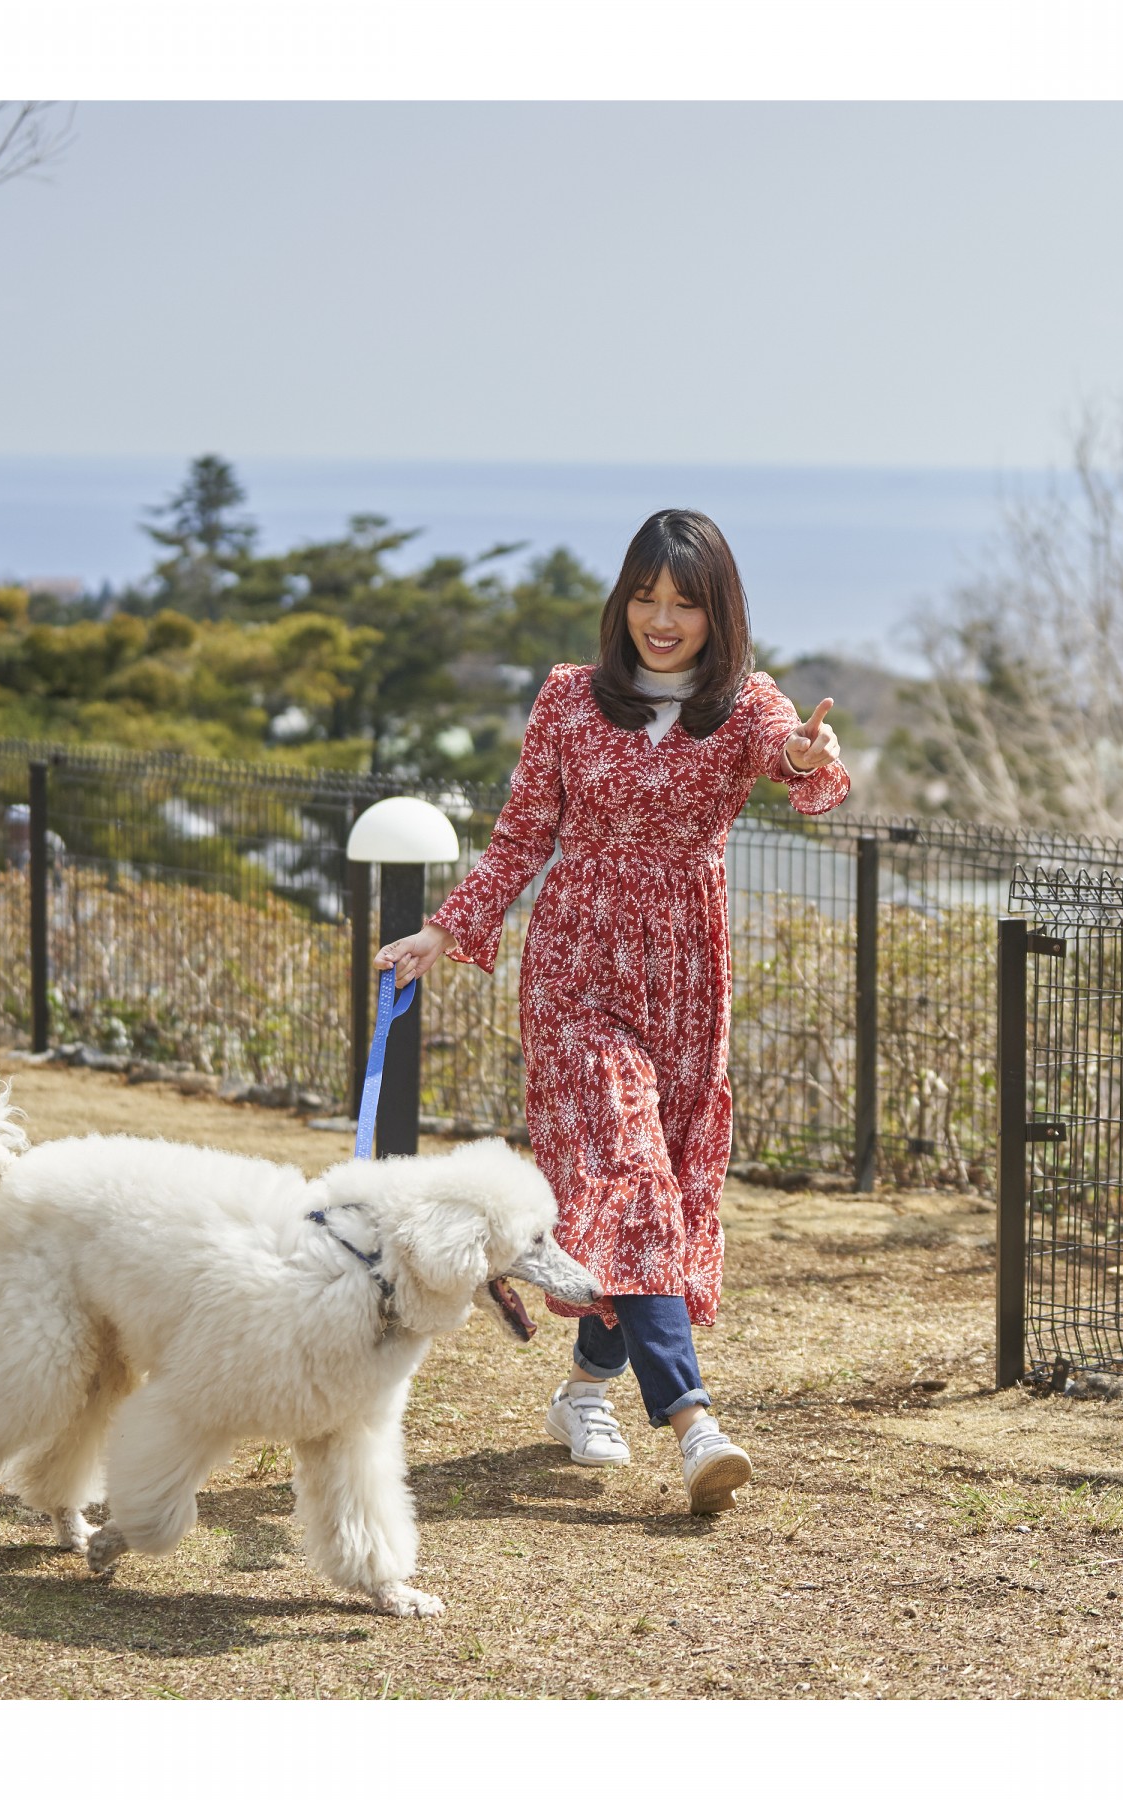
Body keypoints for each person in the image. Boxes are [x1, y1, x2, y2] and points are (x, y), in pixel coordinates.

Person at [374, 509, 846, 1514]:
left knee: (652, 1197)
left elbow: (804, 777)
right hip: (577, 972)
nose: (661, 621)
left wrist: (807, 755)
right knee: (627, 1173)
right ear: (620, 601)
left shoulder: (749, 708)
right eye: (645, 597)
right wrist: (442, 934)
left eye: (683, 603)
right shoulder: (567, 702)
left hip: (687, 981)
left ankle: (586, 1385)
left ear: (718, 612)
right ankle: (693, 1423)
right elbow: (516, 840)